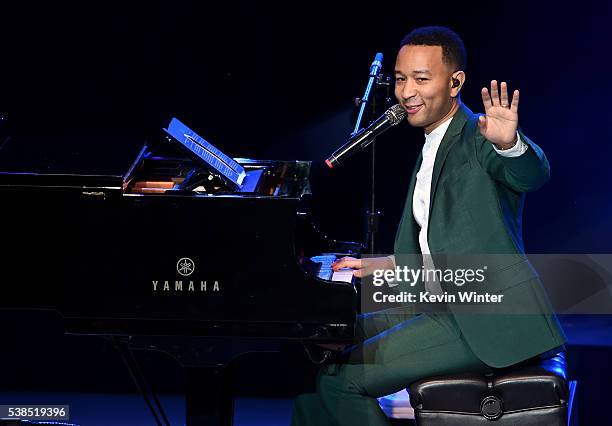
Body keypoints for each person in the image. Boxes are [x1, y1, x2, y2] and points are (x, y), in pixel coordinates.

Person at [291, 26, 566, 426]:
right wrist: (379, 264)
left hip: (484, 317)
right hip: (438, 304)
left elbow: (531, 174)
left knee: (343, 381)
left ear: (455, 83)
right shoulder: (431, 141)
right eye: (401, 79)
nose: (406, 92)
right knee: (326, 347)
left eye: (422, 79)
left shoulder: (478, 136)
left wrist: (510, 144)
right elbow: (437, 245)